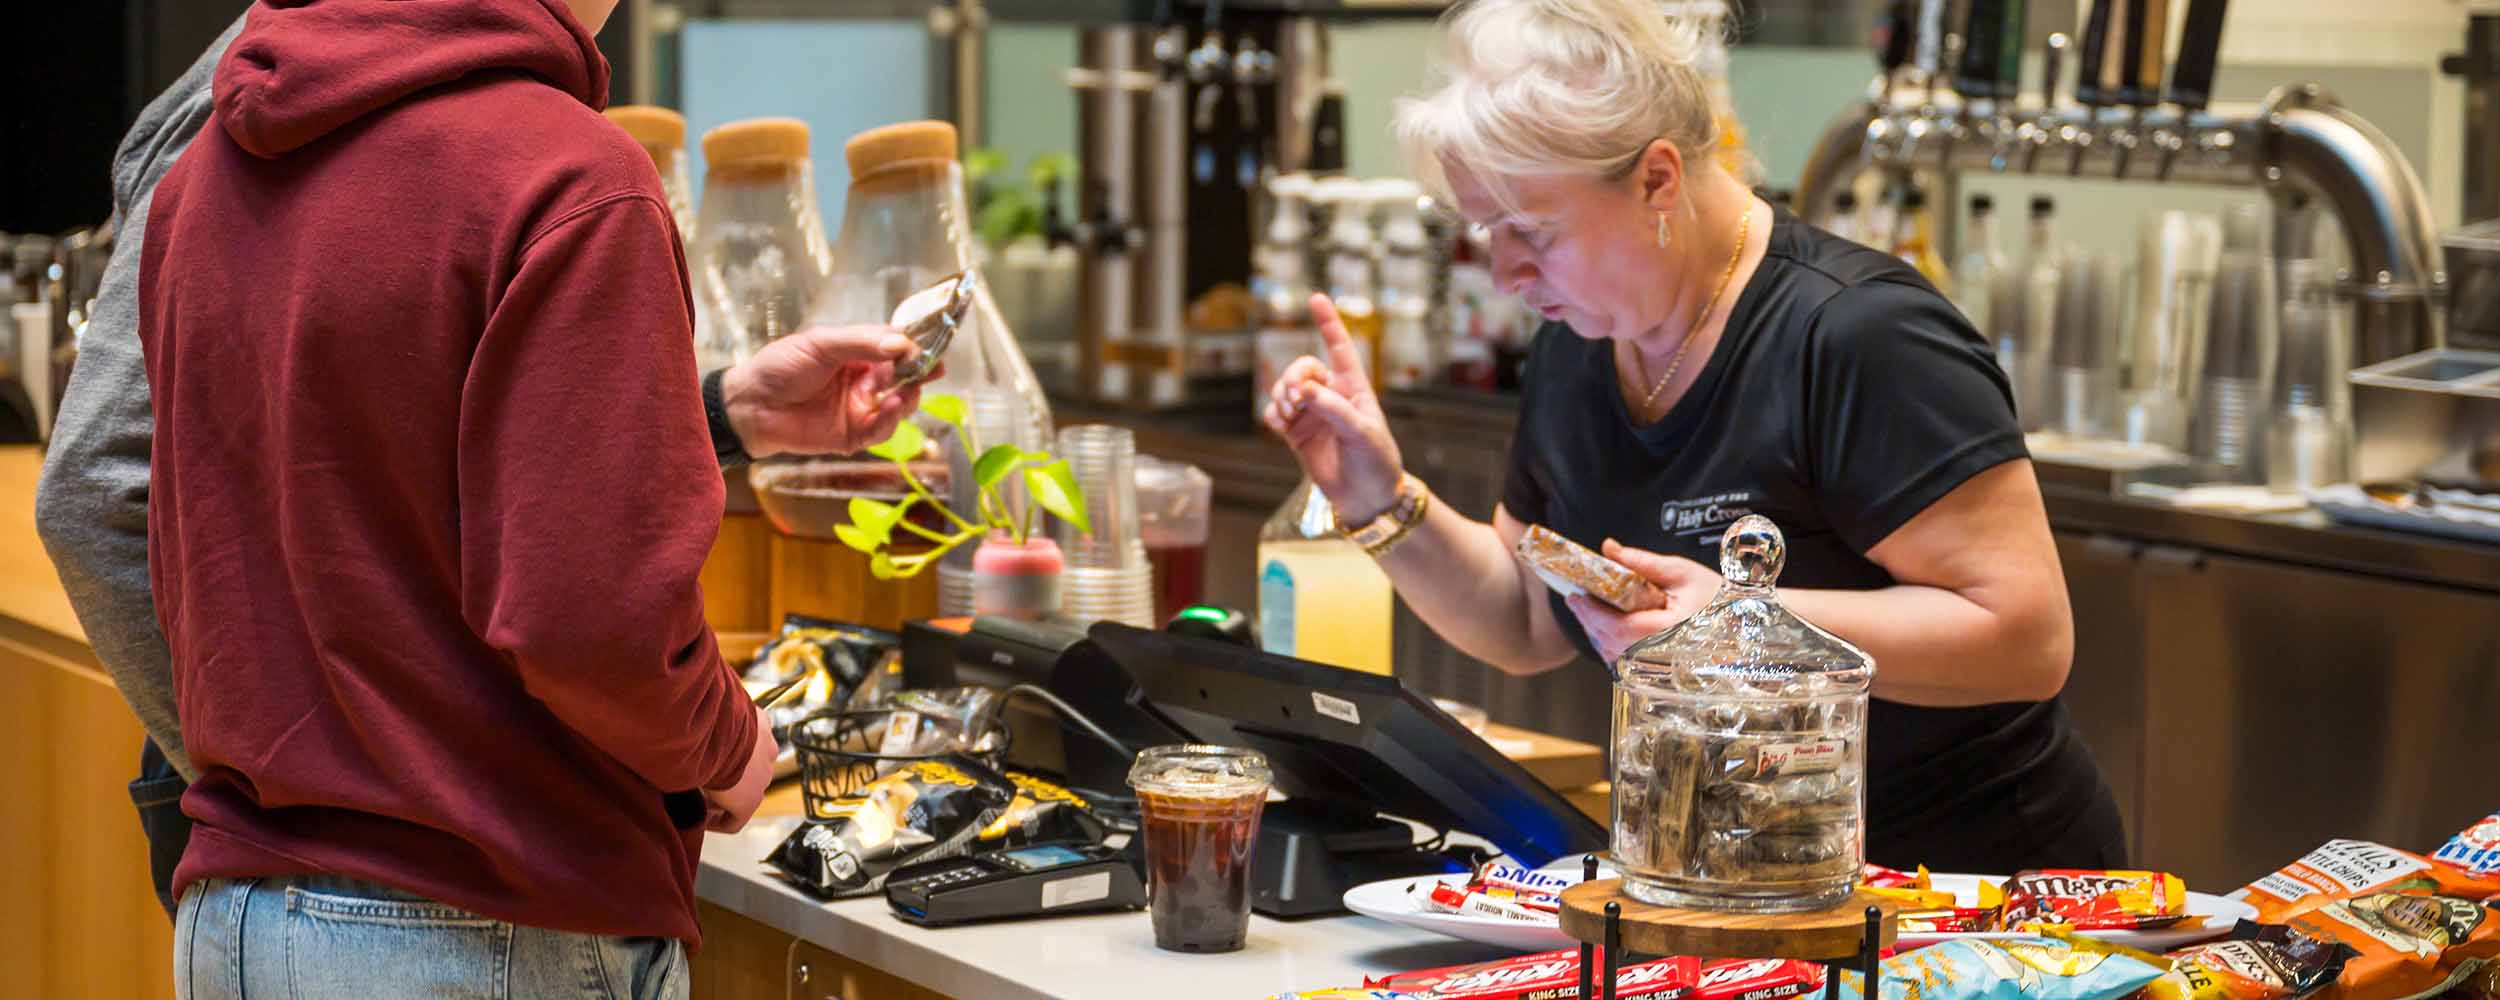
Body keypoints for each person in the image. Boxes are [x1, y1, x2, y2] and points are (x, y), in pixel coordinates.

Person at [50, 0, 921, 994]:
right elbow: (590, 619)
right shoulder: (573, 178)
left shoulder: (200, 183)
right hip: (488, 923)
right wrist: (725, 745)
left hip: (239, 919)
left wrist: (720, 407)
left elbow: (305, 495)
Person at [1263, 0, 2125, 874]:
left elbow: (2027, 639)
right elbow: (1526, 617)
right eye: (1487, 231)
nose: (1505, 272)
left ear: (1657, 180)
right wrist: (1375, 495)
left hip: (1962, 891)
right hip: (1731, 883)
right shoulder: (1580, 344)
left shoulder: (1857, 333)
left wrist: (1740, 625)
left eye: (1532, 231)